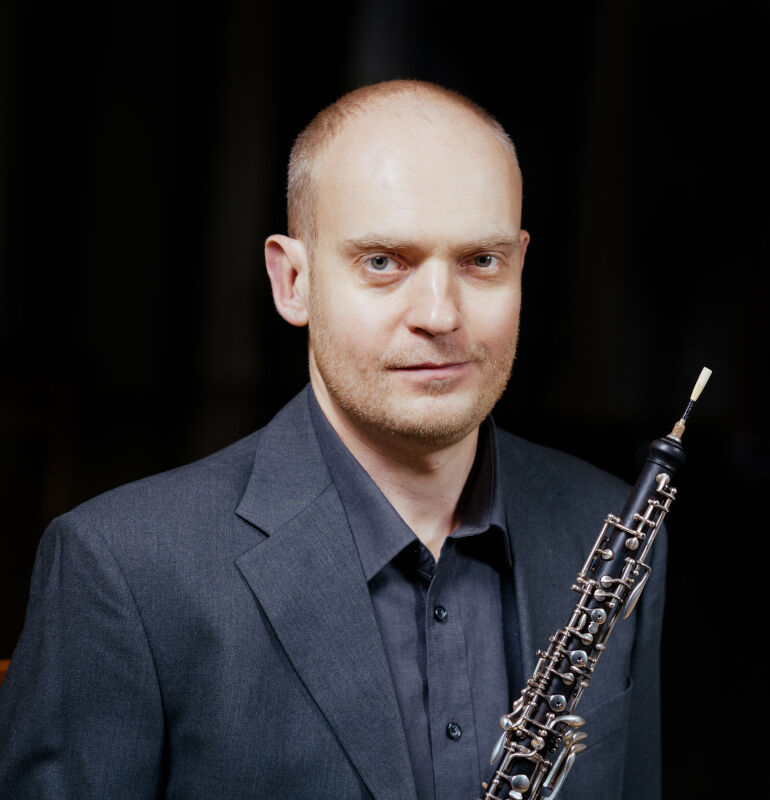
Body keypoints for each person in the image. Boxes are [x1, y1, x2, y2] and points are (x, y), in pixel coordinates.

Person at [0, 80, 664, 800]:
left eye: (481, 261)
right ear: (293, 280)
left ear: (521, 267)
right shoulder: (124, 568)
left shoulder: (609, 524)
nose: (440, 315)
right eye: (383, 262)